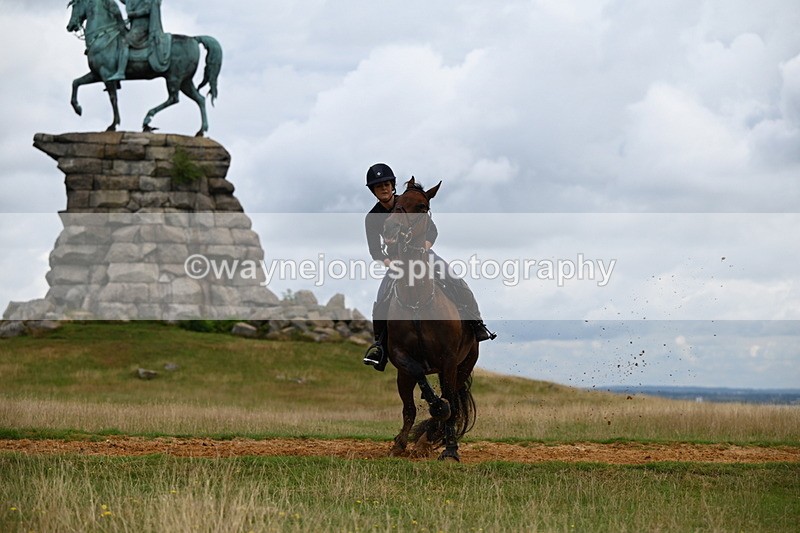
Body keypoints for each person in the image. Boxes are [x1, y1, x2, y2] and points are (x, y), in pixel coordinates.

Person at [362, 163, 496, 371]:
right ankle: (380, 347)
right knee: (381, 300)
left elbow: (431, 232)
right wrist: (391, 264)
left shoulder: (408, 202)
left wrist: (425, 248)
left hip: (423, 254)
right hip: (396, 262)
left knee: (456, 281)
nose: (384, 189)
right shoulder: (372, 218)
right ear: (373, 191)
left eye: (387, 184)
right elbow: (375, 252)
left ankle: (477, 324)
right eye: (379, 186)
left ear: (393, 185)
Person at [108, 0, 170, 81]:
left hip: (143, 28)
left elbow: (148, 9)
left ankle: (121, 72)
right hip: (134, 27)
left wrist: (134, 14)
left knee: (125, 42)